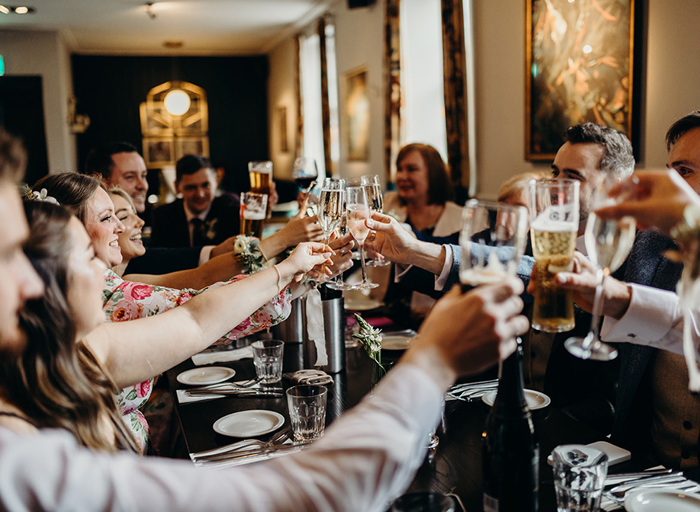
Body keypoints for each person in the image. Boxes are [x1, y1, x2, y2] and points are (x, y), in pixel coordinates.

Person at [0, 128, 530, 512]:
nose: (29, 280)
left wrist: (292, 269)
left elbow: (194, 319)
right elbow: (302, 496)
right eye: (9, 256)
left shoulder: (72, 356)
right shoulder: (20, 464)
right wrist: (431, 362)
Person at [368, 123, 635, 434]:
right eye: (555, 172)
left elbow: (610, 399)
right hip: (502, 408)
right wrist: (410, 251)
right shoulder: (539, 238)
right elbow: (471, 267)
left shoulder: (629, 261)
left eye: (572, 176)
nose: (556, 185)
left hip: (571, 433)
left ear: (613, 187)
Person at [552, 111, 700, 468]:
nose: (670, 184)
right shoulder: (653, 245)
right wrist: (616, 300)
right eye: (671, 169)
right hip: (648, 472)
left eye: (684, 171)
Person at [108, 187, 350, 289]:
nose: (140, 221)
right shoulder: (124, 284)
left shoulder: (129, 275)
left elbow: (205, 262)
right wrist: (283, 238)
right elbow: (203, 278)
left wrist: (308, 276)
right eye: (119, 216)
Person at [83, 142, 236, 274]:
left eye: (143, 176)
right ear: (99, 180)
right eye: (130, 177)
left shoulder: (229, 205)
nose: (143, 185)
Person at [150, 154, 241, 248]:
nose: (200, 194)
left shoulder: (231, 210)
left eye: (205, 185)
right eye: (191, 187)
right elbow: (157, 257)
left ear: (216, 181)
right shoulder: (162, 216)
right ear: (177, 187)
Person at [384, 143, 462, 241]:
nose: (402, 177)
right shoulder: (389, 203)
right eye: (399, 169)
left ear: (433, 174)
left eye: (411, 169)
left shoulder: (461, 218)